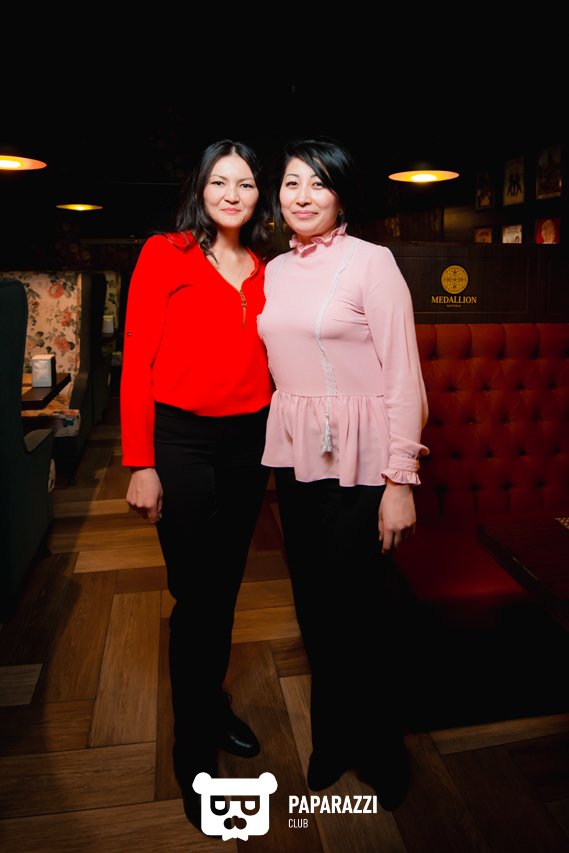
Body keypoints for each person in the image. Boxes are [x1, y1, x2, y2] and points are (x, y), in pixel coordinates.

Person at [257, 138, 429, 811]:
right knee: (315, 606)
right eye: (291, 182)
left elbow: (403, 377)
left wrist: (399, 481)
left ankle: (381, 748)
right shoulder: (272, 270)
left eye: (318, 183)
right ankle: (331, 740)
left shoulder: (371, 262)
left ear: (341, 195)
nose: (302, 196)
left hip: (362, 465)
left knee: (364, 613)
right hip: (298, 460)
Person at [120, 139, 274, 828]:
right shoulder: (166, 253)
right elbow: (136, 360)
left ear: (259, 194)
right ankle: (191, 750)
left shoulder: (269, 266)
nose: (231, 194)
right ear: (200, 188)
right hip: (179, 439)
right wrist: (141, 463)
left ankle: (212, 705)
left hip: (250, 442)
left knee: (225, 586)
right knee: (196, 592)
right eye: (219, 181)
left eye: (245, 183)